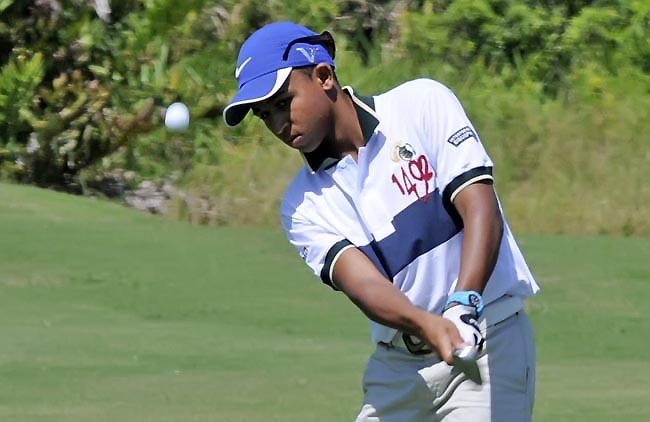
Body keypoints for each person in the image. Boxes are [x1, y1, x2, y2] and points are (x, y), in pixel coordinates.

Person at [223, 21, 540, 421]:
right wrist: (427, 324)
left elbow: (481, 208)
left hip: (487, 345)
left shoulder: (421, 104)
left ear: (322, 76)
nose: (278, 125)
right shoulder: (301, 206)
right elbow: (365, 285)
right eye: (264, 115)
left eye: (283, 103)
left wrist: (463, 304)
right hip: (400, 372)